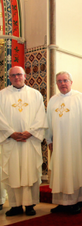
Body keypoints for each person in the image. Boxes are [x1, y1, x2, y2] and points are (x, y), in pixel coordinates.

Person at [0, 66, 47, 216]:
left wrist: (30, 132)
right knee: (13, 172)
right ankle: (15, 205)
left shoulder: (35, 94)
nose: (16, 77)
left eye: (19, 74)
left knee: (29, 171)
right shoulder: (2, 95)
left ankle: (30, 204)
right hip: (11, 141)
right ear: (9, 78)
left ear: (25, 76)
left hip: (29, 141)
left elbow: (41, 116)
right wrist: (10, 133)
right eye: (13, 75)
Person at [46, 71, 82, 215]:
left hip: (76, 143)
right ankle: (62, 202)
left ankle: (77, 201)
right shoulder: (53, 100)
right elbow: (48, 122)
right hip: (59, 143)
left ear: (71, 82)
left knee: (75, 169)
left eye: (65, 80)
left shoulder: (81, 98)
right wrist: (49, 139)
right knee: (60, 170)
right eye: (59, 81)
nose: (62, 83)